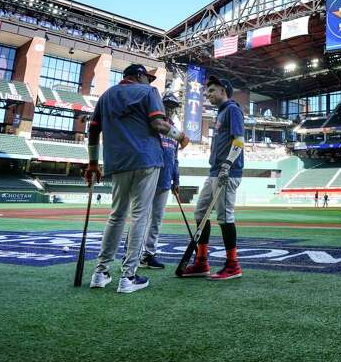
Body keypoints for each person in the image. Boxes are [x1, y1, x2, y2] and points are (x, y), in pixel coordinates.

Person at [86, 64, 189, 294]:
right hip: (146, 160)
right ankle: (128, 277)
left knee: (116, 215)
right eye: (147, 78)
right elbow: (158, 124)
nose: (150, 83)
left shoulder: (106, 96)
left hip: (118, 162)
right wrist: (180, 136)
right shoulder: (148, 92)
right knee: (140, 216)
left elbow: (93, 131)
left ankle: (100, 273)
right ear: (140, 76)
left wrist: (93, 162)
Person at [181, 75, 245, 280]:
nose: (207, 94)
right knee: (200, 213)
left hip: (227, 171)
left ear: (223, 91)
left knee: (225, 217)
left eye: (211, 91)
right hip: (214, 172)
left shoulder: (232, 110)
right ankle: (201, 262)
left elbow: (239, 141)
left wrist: (227, 164)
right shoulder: (221, 113)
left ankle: (233, 265)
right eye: (207, 91)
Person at [139, 92, 182, 270]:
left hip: (165, 180)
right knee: (140, 218)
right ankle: (132, 254)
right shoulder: (152, 124)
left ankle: (149, 255)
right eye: (167, 105)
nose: (170, 109)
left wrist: (176, 179)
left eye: (173, 107)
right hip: (148, 177)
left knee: (156, 220)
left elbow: (175, 157)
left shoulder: (174, 131)